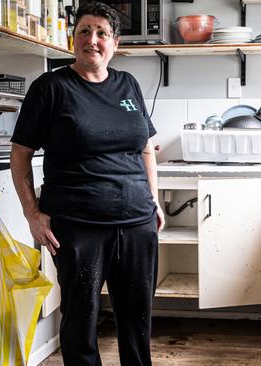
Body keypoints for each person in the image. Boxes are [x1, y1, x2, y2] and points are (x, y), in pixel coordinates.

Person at [9, 2, 164, 365]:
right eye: (84, 31)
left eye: (101, 33)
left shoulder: (129, 84)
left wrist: (154, 200)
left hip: (137, 222)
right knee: (80, 323)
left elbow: (145, 149)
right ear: (72, 38)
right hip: (79, 226)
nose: (92, 40)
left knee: (137, 320)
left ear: (115, 42)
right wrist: (33, 214)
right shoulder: (51, 88)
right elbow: (20, 155)